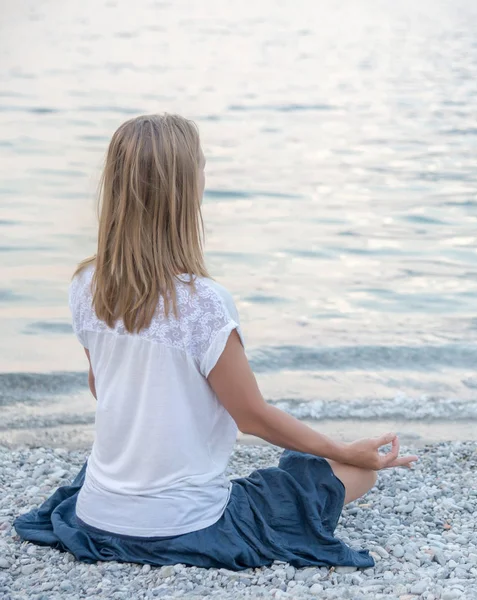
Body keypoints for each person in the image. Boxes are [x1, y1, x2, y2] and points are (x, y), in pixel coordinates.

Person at [14, 114, 418, 569]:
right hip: (187, 524)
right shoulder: (205, 303)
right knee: (356, 473)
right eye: (202, 166)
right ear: (186, 190)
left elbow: (100, 386)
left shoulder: (86, 284)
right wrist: (344, 450)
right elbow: (253, 418)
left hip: (98, 515)